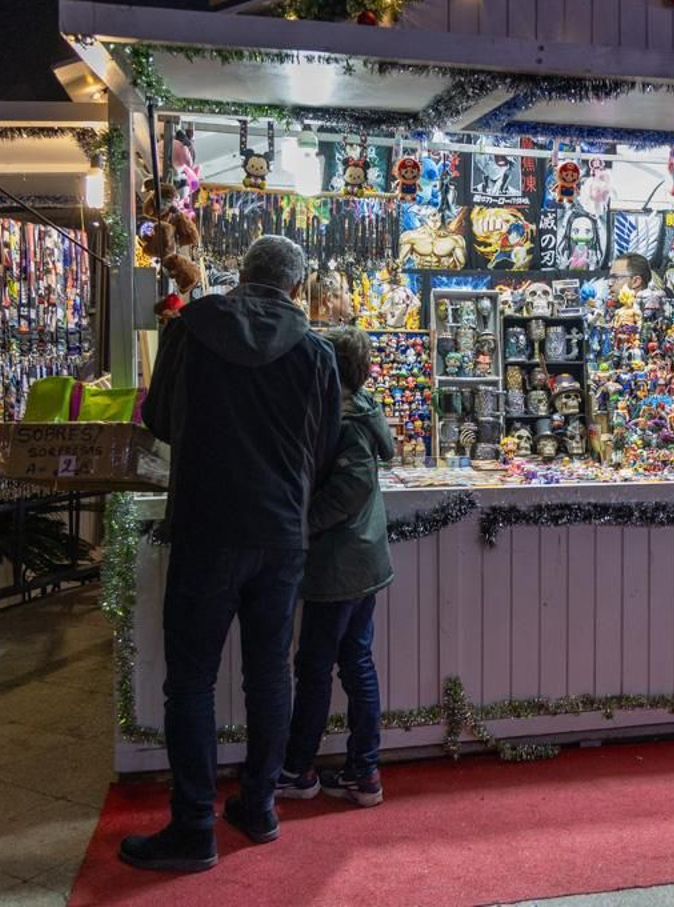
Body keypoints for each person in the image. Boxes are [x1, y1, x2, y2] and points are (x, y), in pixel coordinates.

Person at [123, 234, 341, 872]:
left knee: (189, 680)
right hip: (280, 533)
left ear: (240, 275)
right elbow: (325, 447)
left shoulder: (190, 330)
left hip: (207, 524)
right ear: (297, 288)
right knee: (270, 674)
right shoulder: (315, 351)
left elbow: (160, 418)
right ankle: (260, 804)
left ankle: (193, 826)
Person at [277, 326, 394, 808]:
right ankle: (362, 769)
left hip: (339, 563)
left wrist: (304, 522)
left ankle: (300, 767)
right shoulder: (359, 412)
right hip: (360, 559)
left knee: (315, 667)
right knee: (354, 662)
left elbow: (350, 489)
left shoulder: (343, 420)